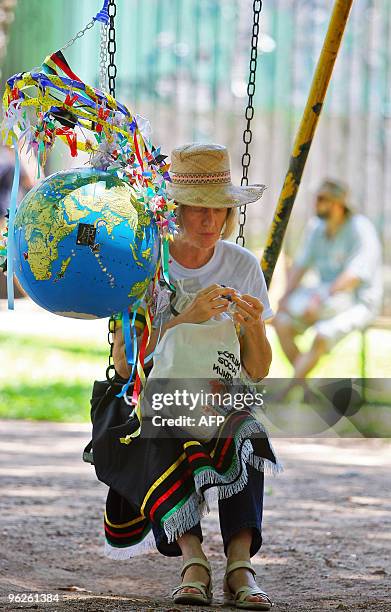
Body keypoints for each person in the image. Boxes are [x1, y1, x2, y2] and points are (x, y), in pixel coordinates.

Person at [91, 143, 282, 609]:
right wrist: (185, 316)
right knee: (160, 415)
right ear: (174, 210)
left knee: (246, 423)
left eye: (220, 209)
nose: (211, 221)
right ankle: (193, 561)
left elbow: (256, 370)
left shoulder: (242, 266)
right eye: (199, 208)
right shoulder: (146, 263)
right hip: (158, 393)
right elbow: (123, 363)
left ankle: (240, 566)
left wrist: (254, 326)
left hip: (220, 393)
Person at [273, 179, 383, 387]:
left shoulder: (361, 229)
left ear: (339, 204)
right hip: (324, 300)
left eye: (323, 199)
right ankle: (304, 386)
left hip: (359, 302)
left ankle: (288, 390)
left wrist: (318, 300)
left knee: (322, 336)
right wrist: (285, 297)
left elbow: (353, 277)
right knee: (281, 321)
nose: (317, 203)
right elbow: (300, 266)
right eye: (317, 198)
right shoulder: (316, 227)